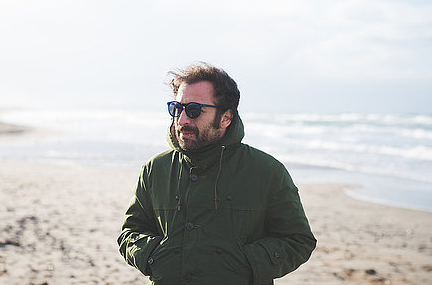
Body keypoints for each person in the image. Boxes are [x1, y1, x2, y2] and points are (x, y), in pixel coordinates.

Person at [118, 63, 316, 285]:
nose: (182, 119)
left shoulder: (268, 171)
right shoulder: (156, 169)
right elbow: (131, 233)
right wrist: (154, 257)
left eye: (194, 110)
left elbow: (298, 240)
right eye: (177, 108)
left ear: (225, 118)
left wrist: (244, 263)